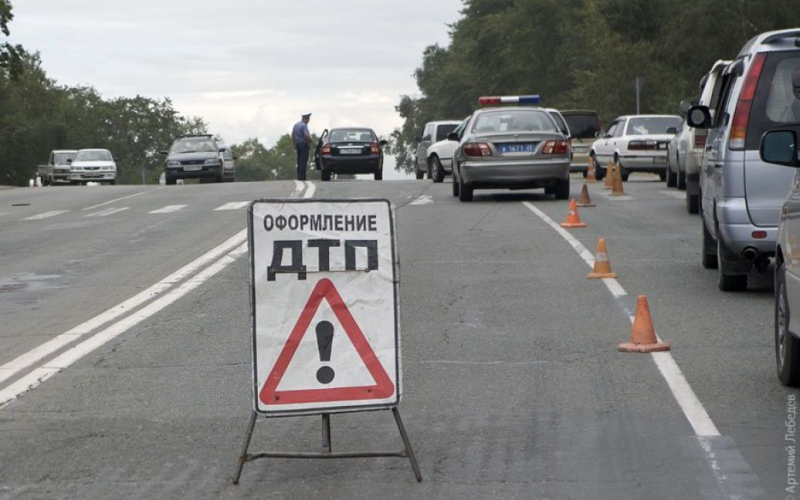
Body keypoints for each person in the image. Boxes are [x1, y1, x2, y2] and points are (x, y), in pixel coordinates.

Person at [292, 113, 313, 180]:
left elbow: (293, 135)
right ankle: (302, 176)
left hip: (297, 144)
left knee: (299, 160)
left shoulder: (296, 125)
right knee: (303, 161)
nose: (308, 121)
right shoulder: (304, 126)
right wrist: (311, 141)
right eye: (308, 120)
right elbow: (307, 136)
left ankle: (299, 175)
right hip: (303, 144)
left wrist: (294, 144)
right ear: (306, 119)